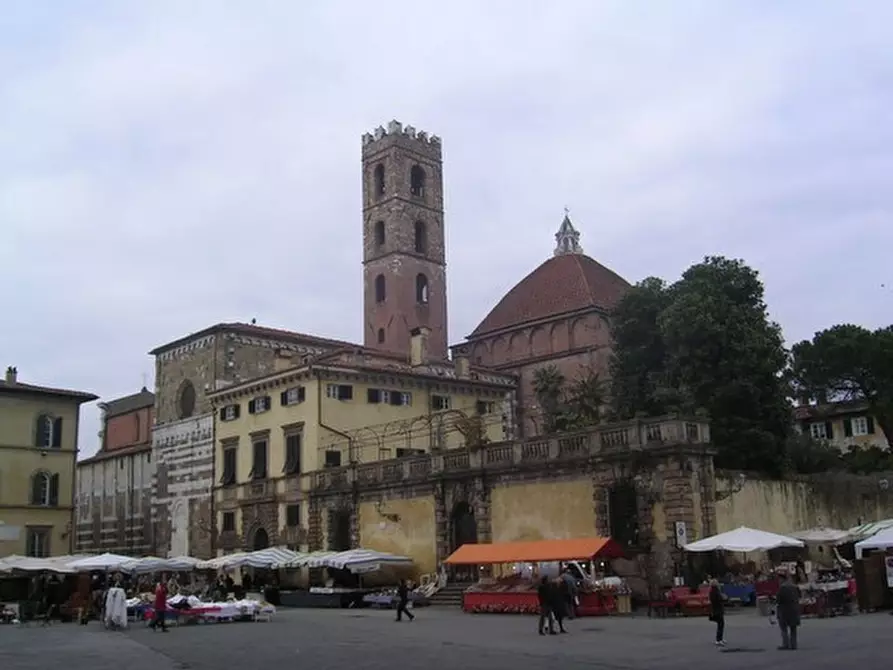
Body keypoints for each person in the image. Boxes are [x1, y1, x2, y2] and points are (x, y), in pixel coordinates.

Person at [776, 572, 801, 650]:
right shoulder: (795, 587)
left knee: (784, 628)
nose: (778, 581)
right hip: (795, 609)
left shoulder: (782, 588)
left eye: (779, 579)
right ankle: (794, 644)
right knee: (793, 628)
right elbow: (799, 596)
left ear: (782, 579)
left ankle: (785, 644)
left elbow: (778, 600)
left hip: (785, 610)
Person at [708, 578, 726, 647]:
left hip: (716, 609)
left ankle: (720, 638)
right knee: (721, 625)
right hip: (717, 610)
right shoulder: (715, 591)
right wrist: (723, 597)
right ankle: (718, 640)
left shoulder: (712, 590)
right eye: (717, 582)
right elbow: (719, 599)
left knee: (720, 624)